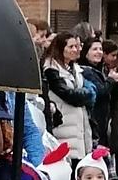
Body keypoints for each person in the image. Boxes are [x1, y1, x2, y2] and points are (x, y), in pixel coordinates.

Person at [41, 30, 95, 159]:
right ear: (60, 48)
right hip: (64, 126)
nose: (75, 50)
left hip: (79, 126)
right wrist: (89, 94)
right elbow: (69, 95)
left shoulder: (75, 69)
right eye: (71, 46)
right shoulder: (51, 70)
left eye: (76, 46)